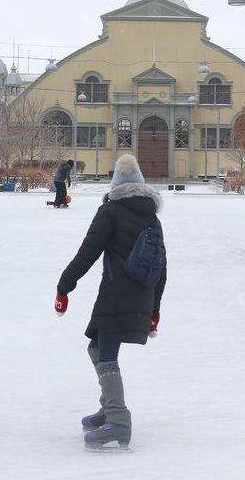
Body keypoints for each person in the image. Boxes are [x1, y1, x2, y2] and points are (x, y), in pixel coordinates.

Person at [54, 154, 166, 451]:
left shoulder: (110, 211)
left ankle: (118, 420)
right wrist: (155, 308)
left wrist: (64, 286)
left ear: (115, 183)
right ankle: (109, 408)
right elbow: (162, 265)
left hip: (117, 293)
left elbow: (87, 252)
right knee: (97, 347)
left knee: (105, 354)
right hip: (140, 293)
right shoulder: (152, 216)